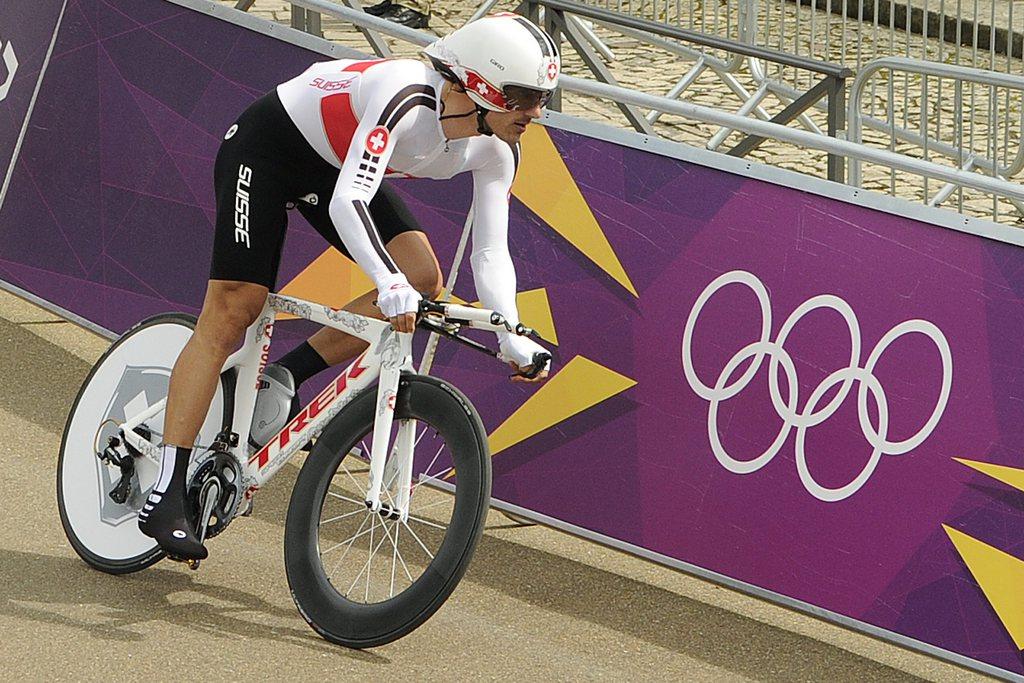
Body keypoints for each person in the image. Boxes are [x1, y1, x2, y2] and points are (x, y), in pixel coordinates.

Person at [137, 14, 561, 561]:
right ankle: (166, 489)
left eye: (543, 97)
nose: (537, 113)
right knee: (235, 307)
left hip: (336, 165)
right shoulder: (405, 96)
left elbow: (489, 251)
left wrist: (508, 332)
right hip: (270, 148)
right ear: (477, 83)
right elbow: (349, 202)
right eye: (525, 97)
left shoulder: (498, 147)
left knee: (425, 280)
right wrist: (386, 284)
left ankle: (287, 375)